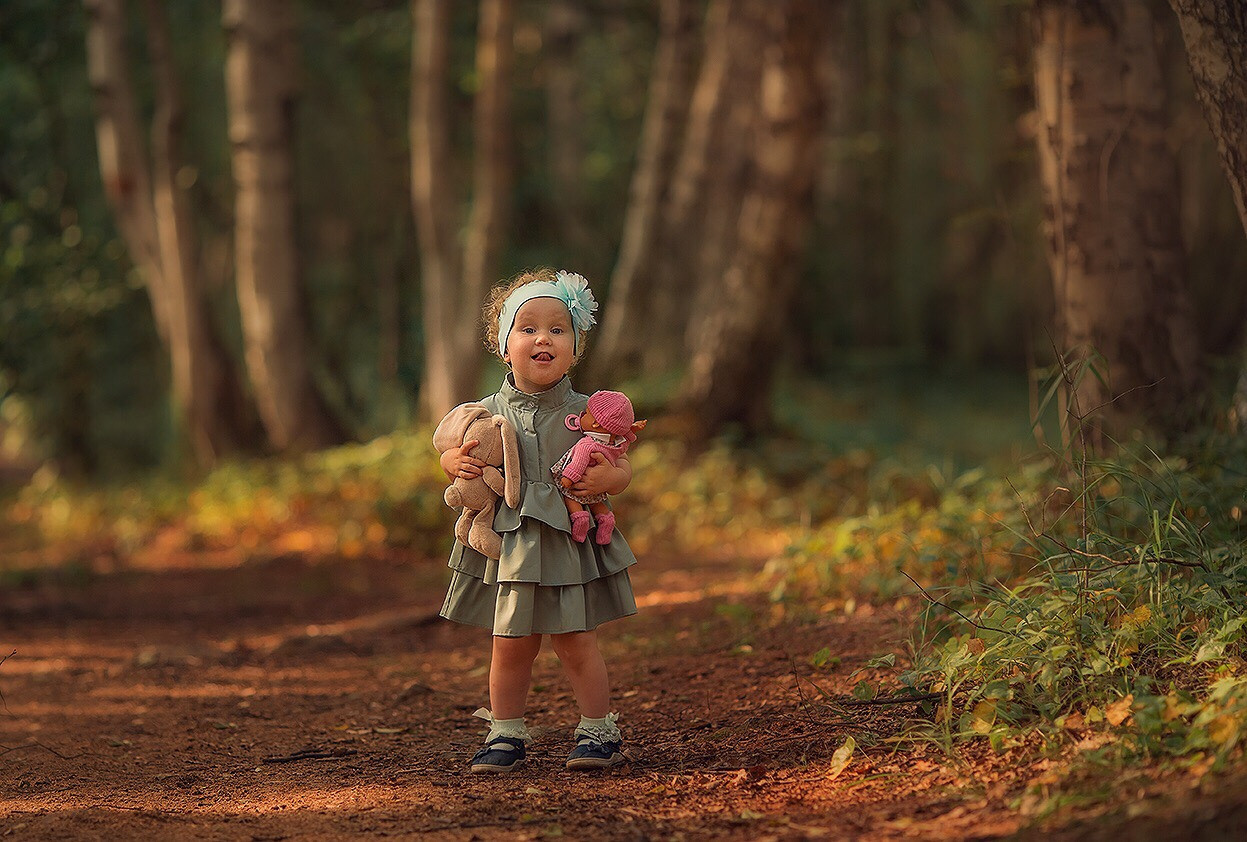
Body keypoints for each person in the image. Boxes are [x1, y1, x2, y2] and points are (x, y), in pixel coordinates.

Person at [436, 268, 637, 773]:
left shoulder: (591, 411)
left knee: (576, 640)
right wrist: (452, 462)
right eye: (527, 328)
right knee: (510, 643)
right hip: (510, 542)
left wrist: (609, 480)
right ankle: (505, 733)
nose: (543, 338)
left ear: (575, 348)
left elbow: (621, 465)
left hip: (568, 539)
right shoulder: (483, 411)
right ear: (504, 347)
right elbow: (449, 452)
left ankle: (598, 731)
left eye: (557, 329)